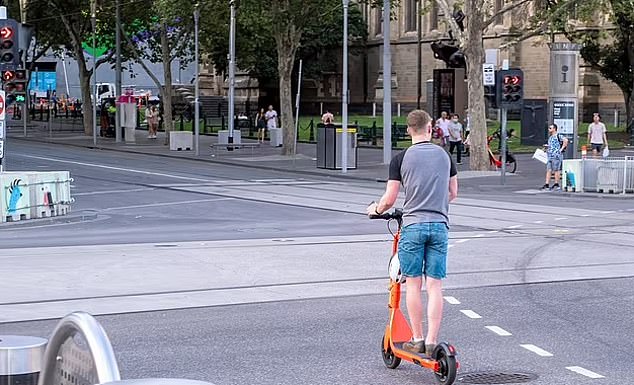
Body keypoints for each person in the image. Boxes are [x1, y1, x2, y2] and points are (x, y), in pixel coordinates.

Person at [367, 109, 458, 356]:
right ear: (430, 128)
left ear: (408, 130)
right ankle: (431, 341)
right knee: (435, 285)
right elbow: (453, 193)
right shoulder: (444, 155)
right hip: (439, 225)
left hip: (413, 226)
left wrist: (375, 209)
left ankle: (416, 338)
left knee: (414, 285)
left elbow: (390, 199)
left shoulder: (401, 159)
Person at [542, 123, 569, 191]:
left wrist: (561, 149)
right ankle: (547, 184)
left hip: (556, 155)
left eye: (550, 128)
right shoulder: (550, 137)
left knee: (556, 170)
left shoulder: (558, 136)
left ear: (554, 129)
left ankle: (556, 183)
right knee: (549, 169)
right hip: (550, 155)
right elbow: (551, 146)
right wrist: (546, 148)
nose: (549, 129)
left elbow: (566, 140)